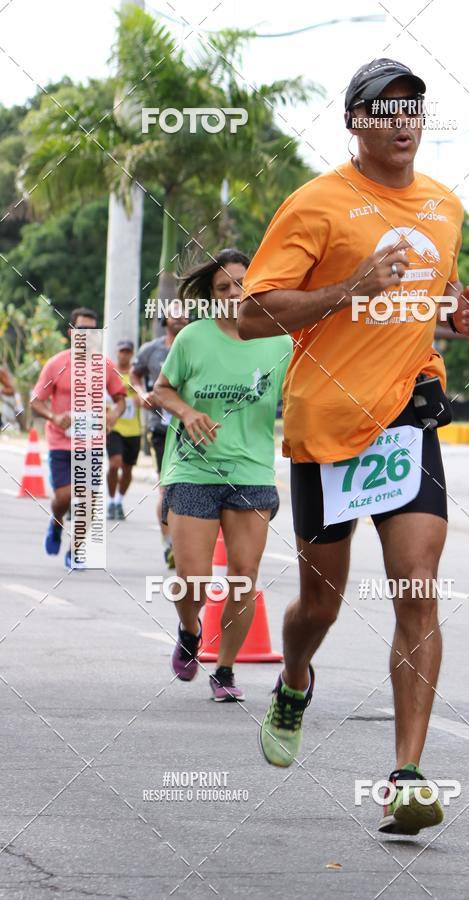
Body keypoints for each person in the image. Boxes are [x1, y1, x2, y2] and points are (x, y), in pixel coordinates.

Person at [238, 58, 469, 835]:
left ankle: (406, 777)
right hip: (326, 423)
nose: (402, 121)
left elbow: (428, 301)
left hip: (408, 416)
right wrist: (351, 287)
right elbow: (252, 316)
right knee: (322, 603)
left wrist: (458, 319)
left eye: (412, 108)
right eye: (384, 109)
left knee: (417, 585)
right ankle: (294, 678)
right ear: (355, 123)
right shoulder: (316, 203)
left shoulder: (445, 206)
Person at [153, 248, 292, 701]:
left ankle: (226, 670)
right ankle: (190, 631)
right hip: (193, 468)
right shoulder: (193, 338)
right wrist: (187, 411)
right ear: (212, 295)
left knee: (243, 576)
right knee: (192, 577)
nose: (234, 293)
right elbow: (161, 390)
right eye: (223, 287)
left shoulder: (280, 342)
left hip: (252, 471)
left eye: (242, 284)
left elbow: (298, 397)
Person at [30, 307, 126, 568]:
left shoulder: (105, 366)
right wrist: (53, 416)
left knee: (88, 499)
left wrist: (113, 416)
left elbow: (120, 399)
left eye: (93, 331)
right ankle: (56, 522)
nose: (88, 335)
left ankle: (75, 552)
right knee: (64, 497)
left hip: (92, 443)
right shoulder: (56, 364)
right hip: (61, 442)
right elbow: (36, 401)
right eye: (83, 330)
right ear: (71, 332)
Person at [130, 301, 190, 567]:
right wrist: (142, 393)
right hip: (162, 428)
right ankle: (169, 545)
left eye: (185, 315)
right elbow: (134, 374)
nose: (180, 319)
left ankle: (187, 544)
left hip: (191, 427)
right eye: (175, 315)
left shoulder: (195, 346)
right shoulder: (151, 350)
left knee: (190, 489)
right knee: (167, 489)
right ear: (165, 320)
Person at [106, 340, 142, 520]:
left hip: (133, 430)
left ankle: (119, 501)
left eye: (128, 352)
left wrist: (138, 399)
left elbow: (144, 398)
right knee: (115, 464)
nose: (124, 355)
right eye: (122, 351)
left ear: (132, 354)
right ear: (117, 352)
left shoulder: (136, 376)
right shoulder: (110, 374)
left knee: (127, 470)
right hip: (114, 427)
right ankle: (110, 501)